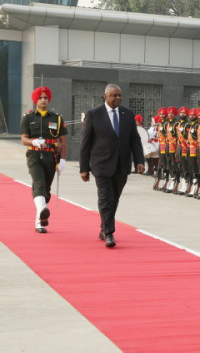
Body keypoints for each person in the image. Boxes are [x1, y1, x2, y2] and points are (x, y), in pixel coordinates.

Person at [79, 84, 144, 248]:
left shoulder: (128, 114)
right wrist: (84, 167)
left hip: (122, 164)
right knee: (105, 197)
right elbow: (85, 143)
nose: (117, 98)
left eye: (119, 95)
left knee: (114, 198)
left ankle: (104, 227)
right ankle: (109, 233)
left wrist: (139, 161)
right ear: (105, 96)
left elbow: (134, 140)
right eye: (114, 95)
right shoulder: (94, 114)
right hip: (101, 164)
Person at [20, 86, 68, 233]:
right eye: (40, 98)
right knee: (39, 183)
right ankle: (42, 213)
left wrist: (63, 160)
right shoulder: (28, 118)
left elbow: (63, 142)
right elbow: (23, 139)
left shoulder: (57, 118)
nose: (43, 100)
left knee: (45, 189)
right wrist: (33, 142)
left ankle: (40, 217)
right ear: (35, 101)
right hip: (34, 155)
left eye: (45, 97)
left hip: (51, 156)